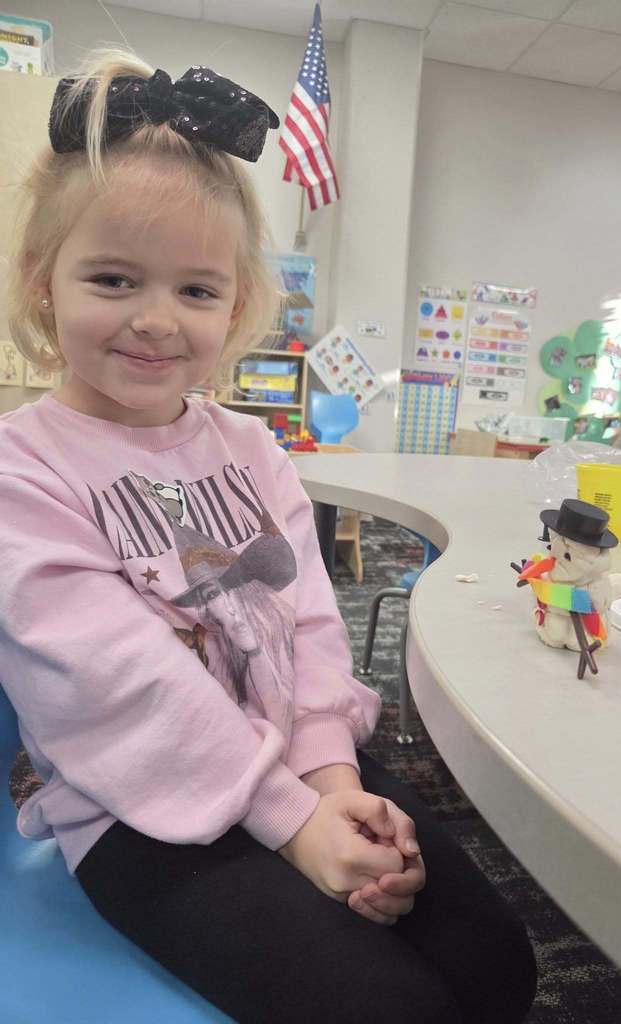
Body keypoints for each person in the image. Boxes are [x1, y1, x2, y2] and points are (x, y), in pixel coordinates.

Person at [0, 50, 537, 1024]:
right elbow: (122, 686)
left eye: (197, 291)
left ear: (238, 303)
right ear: (45, 284)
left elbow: (312, 628)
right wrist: (299, 826)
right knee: (390, 1008)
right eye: (114, 278)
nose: (156, 320)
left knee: (496, 961)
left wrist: (332, 781)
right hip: (134, 802)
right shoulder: (21, 470)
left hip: (291, 757)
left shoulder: (252, 448)